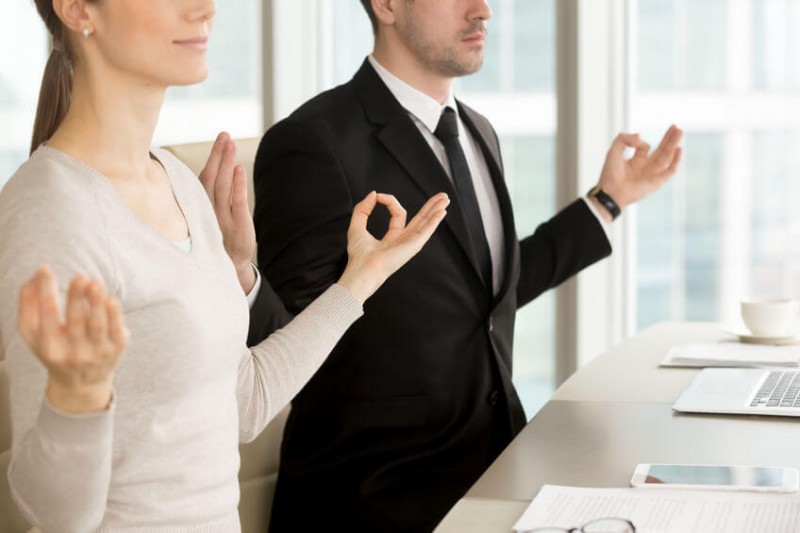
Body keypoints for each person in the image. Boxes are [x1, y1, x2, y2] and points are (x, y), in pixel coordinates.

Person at [0, 0, 450, 531]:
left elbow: (246, 402)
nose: (206, 8)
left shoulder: (177, 181)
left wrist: (360, 279)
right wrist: (77, 402)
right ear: (78, 10)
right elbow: (54, 517)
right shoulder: (51, 209)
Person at [249, 0, 684, 531]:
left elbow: (487, 294)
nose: (483, 11)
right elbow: (287, 338)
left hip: (497, 473)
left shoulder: (477, 131)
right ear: (386, 5)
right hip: (374, 500)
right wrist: (236, 270)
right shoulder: (313, 142)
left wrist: (607, 201)